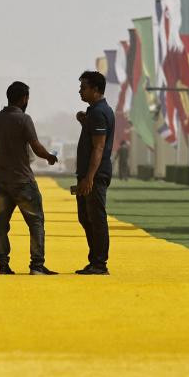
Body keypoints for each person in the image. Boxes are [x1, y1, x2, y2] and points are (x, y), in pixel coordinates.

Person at [0, 81, 59, 275]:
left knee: (2, 221)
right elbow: (36, 146)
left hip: (2, 180)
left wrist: (6, 149)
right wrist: (49, 157)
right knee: (36, 221)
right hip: (22, 180)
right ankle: (37, 265)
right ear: (24, 99)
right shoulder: (24, 120)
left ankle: (3, 265)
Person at [74, 70, 114, 275]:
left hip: (95, 176)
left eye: (84, 88)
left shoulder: (99, 112)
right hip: (88, 174)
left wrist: (89, 177)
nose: (80, 91)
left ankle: (100, 263)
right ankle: (95, 260)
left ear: (96, 90)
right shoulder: (93, 112)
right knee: (86, 217)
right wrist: (84, 121)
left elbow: (99, 147)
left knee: (96, 217)